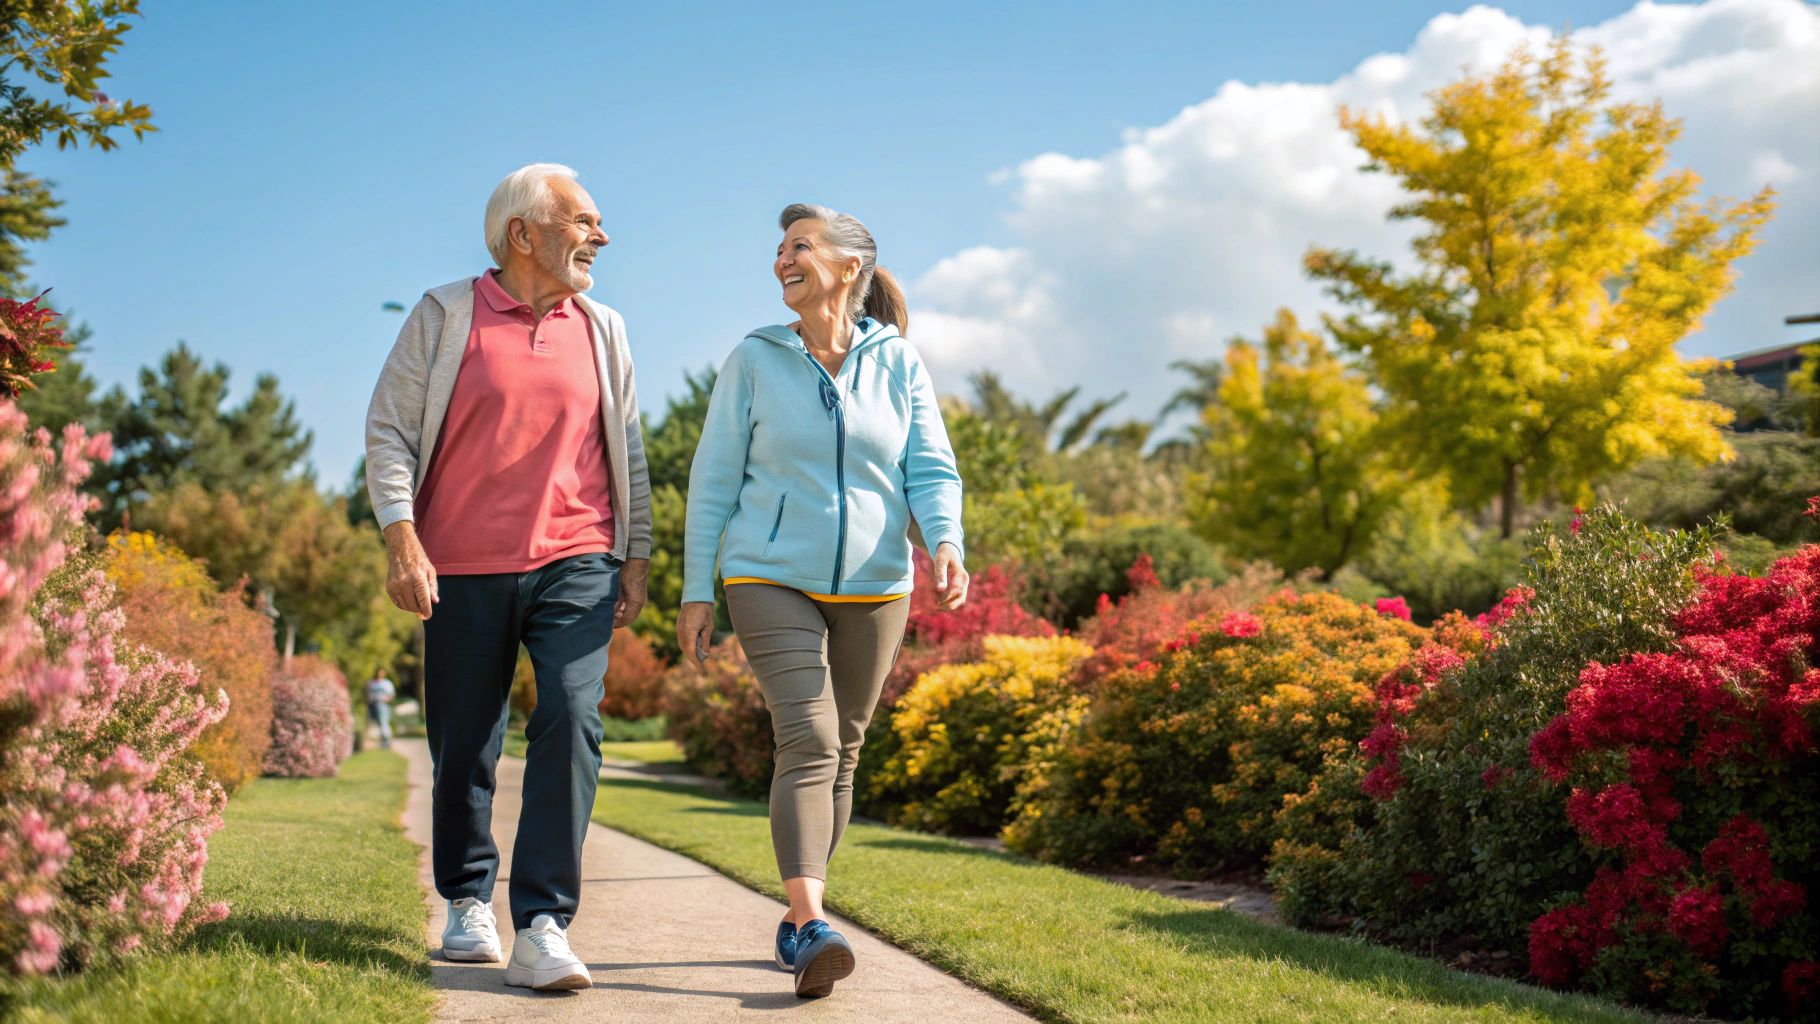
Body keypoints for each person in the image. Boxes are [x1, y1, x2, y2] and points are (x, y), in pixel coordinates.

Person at [364, 163, 652, 992]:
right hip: (459, 562)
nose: (602, 236)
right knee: (466, 740)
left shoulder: (604, 328)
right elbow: (388, 434)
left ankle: (544, 922)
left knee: (570, 713)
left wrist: (635, 553)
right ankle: (466, 899)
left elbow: (624, 445)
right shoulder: (445, 313)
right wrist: (402, 540)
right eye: (584, 221)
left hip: (577, 555)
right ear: (523, 233)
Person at [677, 204, 968, 999]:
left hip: (877, 584)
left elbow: (930, 467)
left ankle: (800, 914)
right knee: (807, 737)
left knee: (844, 748)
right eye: (778, 251)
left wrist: (944, 538)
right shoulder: (755, 359)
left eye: (798, 248)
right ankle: (810, 922)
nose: (781, 262)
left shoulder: (898, 362)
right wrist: (696, 588)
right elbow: (712, 483)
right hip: (768, 574)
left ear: (848, 267)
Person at [364, 668, 396, 749]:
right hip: (373, 706)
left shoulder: (387, 684)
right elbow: (368, 695)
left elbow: (390, 696)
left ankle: (386, 741)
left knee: (383, 723)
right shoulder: (372, 684)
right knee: (375, 724)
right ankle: (379, 741)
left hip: (383, 706)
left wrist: (383, 699)